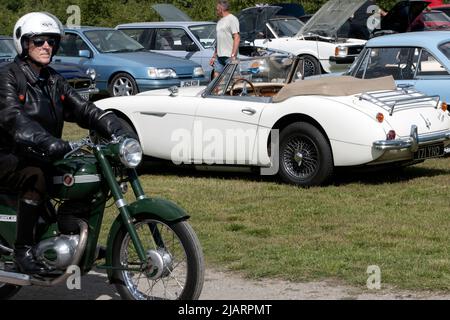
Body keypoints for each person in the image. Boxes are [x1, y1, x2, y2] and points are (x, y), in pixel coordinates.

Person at [0, 12, 130, 275]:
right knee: (34, 177)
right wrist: (48, 141)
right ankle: (23, 250)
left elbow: (85, 110)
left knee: (86, 172)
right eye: (38, 41)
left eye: (51, 41)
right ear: (24, 44)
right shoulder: (8, 77)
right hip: (9, 156)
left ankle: (74, 237)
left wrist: (118, 129)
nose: (46, 46)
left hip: (41, 152)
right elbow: (14, 119)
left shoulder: (53, 80)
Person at [209, 0, 240, 78]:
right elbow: (219, 40)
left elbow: (237, 37)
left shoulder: (232, 19)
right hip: (219, 57)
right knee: (216, 81)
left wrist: (233, 55)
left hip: (229, 56)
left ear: (221, 8)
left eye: (217, 9)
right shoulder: (219, 22)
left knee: (232, 80)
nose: (216, 11)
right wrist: (214, 56)